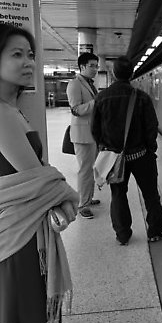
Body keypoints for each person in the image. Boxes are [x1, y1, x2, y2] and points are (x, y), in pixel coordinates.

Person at [0, 23, 79, 323]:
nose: (28, 62)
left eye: (30, 54)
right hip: (21, 236)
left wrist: (56, 185)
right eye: (17, 54)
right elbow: (40, 179)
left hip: (25, 228)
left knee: (29, 306)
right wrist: (69, 194)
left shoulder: (9, 108)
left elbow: (40, 174)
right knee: (27, 309)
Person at [92, 56, 162, 246]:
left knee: (118, 194)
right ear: (132, 74)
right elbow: (152, 127)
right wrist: (149, 149)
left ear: (113, 73)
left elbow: (95, 130)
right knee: (150, 194)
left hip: (114, 158)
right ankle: (155, 231)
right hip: (141, 155)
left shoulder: (101, 98)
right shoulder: (141, 97)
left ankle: (123, 234)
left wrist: (106, 148)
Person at [66, 52, 102, 219]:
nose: (95, 69)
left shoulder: (89, 83)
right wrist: (96, 102)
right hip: (82, 135)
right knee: (85, 171)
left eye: (96, 66)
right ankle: (83, 205)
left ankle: (88, 197)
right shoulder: (75, 84)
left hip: (91, 134)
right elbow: (76, 110)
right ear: (82, 67)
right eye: (92, 66)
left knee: (91, 168)